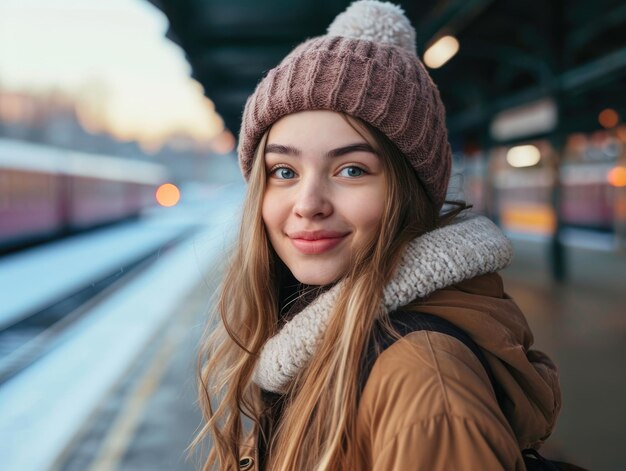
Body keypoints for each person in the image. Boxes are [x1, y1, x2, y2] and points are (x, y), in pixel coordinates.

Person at [191, 1, 562, 469]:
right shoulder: (316, 334)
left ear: (411, 192)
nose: (308, 203)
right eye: (283, 170)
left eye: (351, 169)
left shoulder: (425, 384)